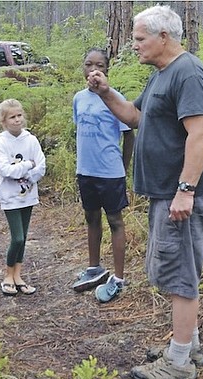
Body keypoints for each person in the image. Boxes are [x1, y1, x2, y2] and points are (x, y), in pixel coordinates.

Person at [87, 4, 203, 379]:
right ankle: (187, 347)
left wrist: (186, 191)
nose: (135, 45)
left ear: (164, 37)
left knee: (180, 276)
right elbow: (134, 117)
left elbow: (201, 134)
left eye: (140, 38)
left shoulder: (188, 72)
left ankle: (178, 363)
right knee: (175, 271)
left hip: (180, 196)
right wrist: (106, 91)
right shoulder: (162, 74)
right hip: (166, 194)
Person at [71, 48, 135, 303]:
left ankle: (118, 278)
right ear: (83, 68)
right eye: (88, 64)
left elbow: (129, 133)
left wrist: (123, 166)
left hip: (110, 172)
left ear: (106, 69)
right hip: (86, 170)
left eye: (99, 65)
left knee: (115, 221)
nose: (93, 69)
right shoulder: (78, 98)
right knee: (91, 217)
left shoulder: (115, 98)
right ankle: (94, 268)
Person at [0, 99, 46, 296]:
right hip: (10, 197)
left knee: (24, 238)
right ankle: (8, 274)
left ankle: (18, 275)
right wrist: (26, 165)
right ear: (3, 121)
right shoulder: (1, 143)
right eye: (12, 117)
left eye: (19, 116)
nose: (17, 120)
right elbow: (6, 170)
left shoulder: (31, 140)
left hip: (28, 195)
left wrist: (28, 174)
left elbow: (41, 165)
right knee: (17, 237)